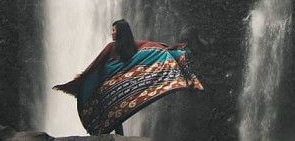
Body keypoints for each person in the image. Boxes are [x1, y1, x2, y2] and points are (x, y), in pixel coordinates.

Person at [54, 19, 203, 136]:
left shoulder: (111, 47)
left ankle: (107, 131)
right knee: (118, 106)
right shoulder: (132, 45)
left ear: (119, 31)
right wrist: (169, 49)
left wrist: (80, 79)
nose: (111, 32)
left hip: (111, 83)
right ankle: (116, 134)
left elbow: (96, 64)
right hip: (118, 83)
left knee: (112, 106)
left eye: (114, 29)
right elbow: (150, 45)